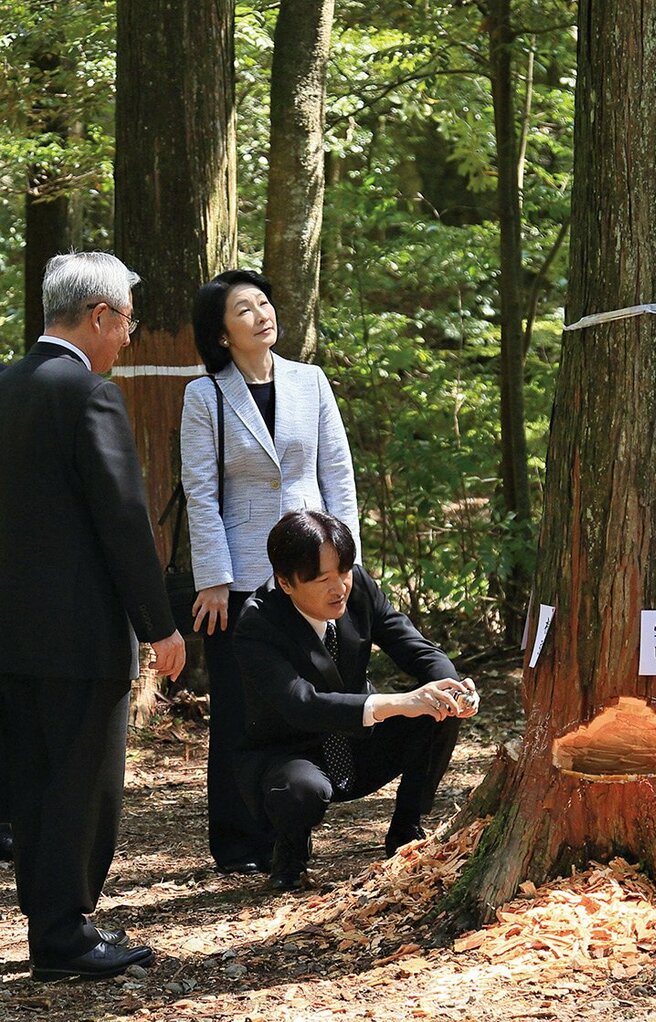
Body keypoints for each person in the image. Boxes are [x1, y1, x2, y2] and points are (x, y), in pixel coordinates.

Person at [0, 252, 186, 981]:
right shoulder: (88, 395)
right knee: (82, 787)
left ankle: (49, 932)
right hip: (78, 638)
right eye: (127, 324)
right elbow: (123, 521)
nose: (128, 340)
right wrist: (159, 624)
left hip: (9, 637)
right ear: (101, 316)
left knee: (32, 788)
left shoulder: (5, 387)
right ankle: (66, 936)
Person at [180, 269, 361, 876]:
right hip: (242, 570)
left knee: (308, 692)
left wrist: (349, 560)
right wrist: (212, 578)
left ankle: (297, 817)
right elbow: (200, 492)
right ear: (222, 332)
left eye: (264, 302)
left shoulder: (310, 381)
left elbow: (338, 471)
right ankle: (238, 843)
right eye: (243, 310)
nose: (261, 314)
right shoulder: (204, 396)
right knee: (238, 707)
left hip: (315, 568)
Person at [233, 510, 479, 891]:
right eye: (322, 579)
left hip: (360, 745)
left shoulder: (358, 585)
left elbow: (413, 645)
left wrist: (450, 687)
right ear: (285, 582)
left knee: (438, 708)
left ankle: (407, 829)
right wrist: (397, 702)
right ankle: (291, 850)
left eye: (344, 572)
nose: (339, 588)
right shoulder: (257, 622)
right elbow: (303, 703)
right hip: (291, 755)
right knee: (300, 791)